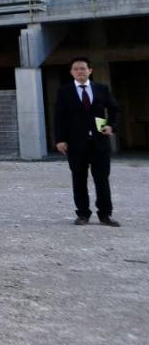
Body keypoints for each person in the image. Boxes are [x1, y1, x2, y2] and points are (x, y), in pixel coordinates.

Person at [54, 57, 121, 226]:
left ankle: (105, 214)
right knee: (79, 179)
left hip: (99, 142)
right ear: (71, 72)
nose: (79, 71)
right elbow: (59, 117)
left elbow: (114, 109)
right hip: (75, 144)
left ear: (90, 70)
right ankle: (83, 214)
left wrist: (111, 126)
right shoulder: (64, 91)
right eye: (76, 69)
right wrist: (60, 139)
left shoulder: (101, 89)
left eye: (83, 68)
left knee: (102, 180)